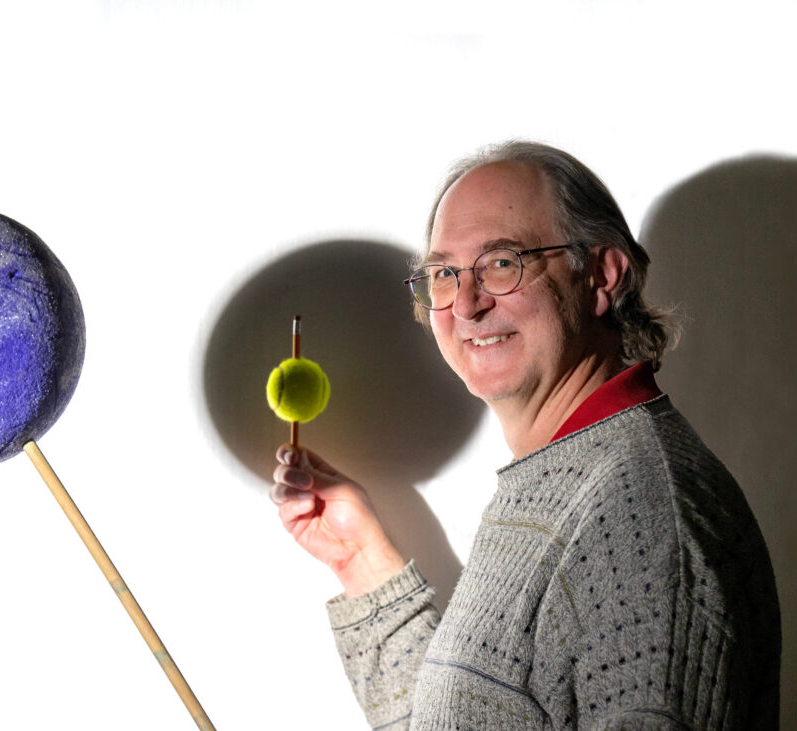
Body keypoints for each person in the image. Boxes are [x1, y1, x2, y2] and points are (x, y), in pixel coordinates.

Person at [270, 141, 780, 729]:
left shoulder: (644, 518)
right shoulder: (565, 469)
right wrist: (360, 559)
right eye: (444, 273)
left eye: (502, 262)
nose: (465, 303)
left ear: (601, 275)